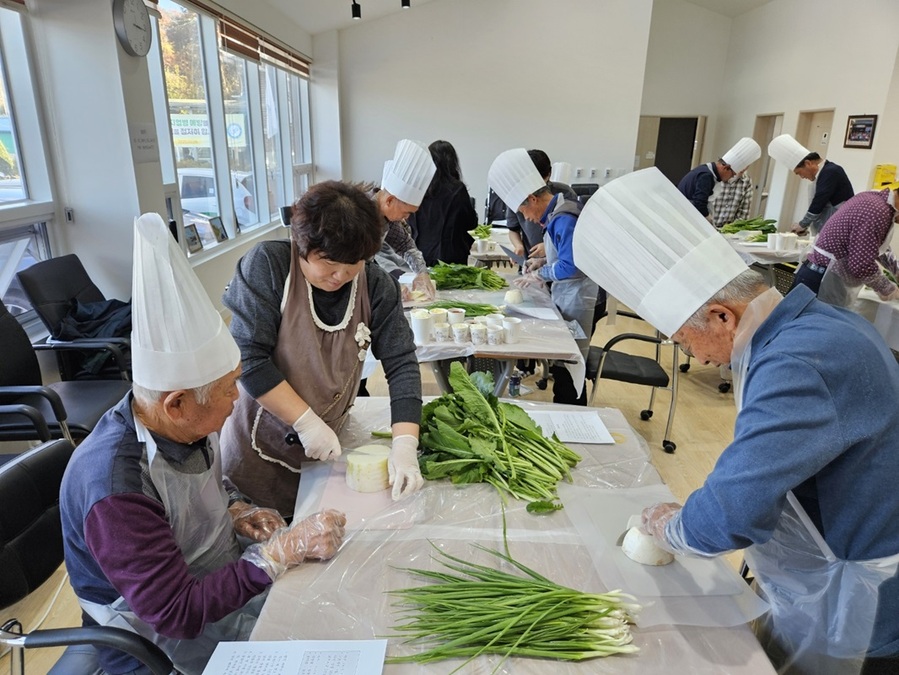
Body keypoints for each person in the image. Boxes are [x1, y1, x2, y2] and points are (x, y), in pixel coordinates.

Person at [574, 167, 899, 675]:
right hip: (837, 573)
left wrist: (671, 525)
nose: (693, 356)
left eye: (684, 340)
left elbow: (730, 515)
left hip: (859, 607)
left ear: (723, 315)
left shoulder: (795, 363)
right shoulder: (817, 325)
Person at [60, 213, 347, 675]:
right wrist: (278, 553)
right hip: (157, 644)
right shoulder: (117, 493)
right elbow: (175, 612)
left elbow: (204, 487)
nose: (238, 400)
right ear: (175, 404)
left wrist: (237, 510)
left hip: (217, 587)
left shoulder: (186, 425)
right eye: (228, 389)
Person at [220, 181, 424, 517]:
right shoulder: (268, 267)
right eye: (329, 263)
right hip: (258, 449)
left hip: (328, 444)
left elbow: (401, 362)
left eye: (354, 264)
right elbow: (248, 358)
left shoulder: (375, 283)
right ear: (303, 245)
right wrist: (304, 422)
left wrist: (405, 444)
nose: (340, 275)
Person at [489, 148, 598, 405]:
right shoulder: (557, 210)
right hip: (568, 295)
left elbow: (571, 266)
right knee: (562, 362)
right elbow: (564, 253)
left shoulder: (563, 218)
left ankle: (573, 416)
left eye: (522, 210)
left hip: (578, 298)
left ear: (532, 199)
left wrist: (540, 273)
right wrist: (542, 259)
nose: (525, 217)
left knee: (568, 367)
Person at [790, 183, 899, 306]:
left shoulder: (874, 200)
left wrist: (896, 269)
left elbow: (873, 246)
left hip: (818, 273)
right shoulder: (877, 211)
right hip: (822, 279)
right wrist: (887, 289)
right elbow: (861, 264)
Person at [371, 139, 437, 299]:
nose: (406, 218)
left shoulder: (388, 218)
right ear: (389, 201)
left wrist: (421, 272)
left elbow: (405, 246)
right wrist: (389, 286)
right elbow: (360, 266)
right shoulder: (359, 216)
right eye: (406, 212)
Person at [768, 134, 854, 236]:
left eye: (799, 172)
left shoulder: (831, 171)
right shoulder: (823, 173)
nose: (802, 177)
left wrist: (803, 224)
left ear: (808, 163)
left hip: (839, 229)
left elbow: (819, 201)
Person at [407, 139, 477, 265]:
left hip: (420, 252)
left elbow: (409, 218)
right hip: (451, 256)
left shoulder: (419, 187)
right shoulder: (457, 189)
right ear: (452, 162)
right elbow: (470, 223)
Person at [505, 149, 577, 262]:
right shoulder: (518, 196)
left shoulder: (565, 193)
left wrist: (549, 247)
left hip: (559, 261)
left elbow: (572, 235)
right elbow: (513, 229)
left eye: (540, 179)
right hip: (530, 260)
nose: (527, 218)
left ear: (549, 174)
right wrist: (519, 246)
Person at [677, 137, 761, 219]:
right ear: (726, 168)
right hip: (685, 215)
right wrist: (708, 219)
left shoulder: (706, 169)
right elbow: (700, 203)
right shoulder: (706, 176)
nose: (731, 178)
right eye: (732, 175)